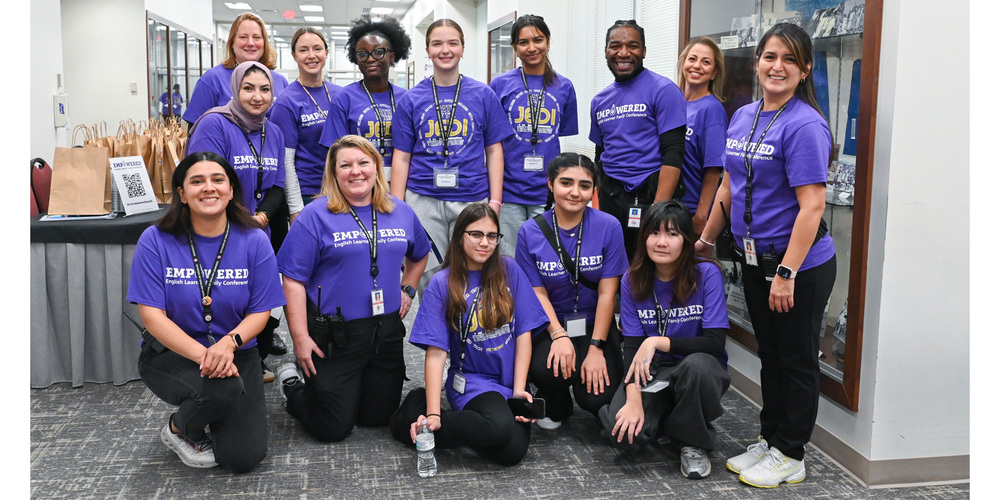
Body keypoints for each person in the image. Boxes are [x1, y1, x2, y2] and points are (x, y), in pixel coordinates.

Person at [694, 22, 836, 489]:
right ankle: (771, 439)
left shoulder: (805, 124)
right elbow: (730, 186)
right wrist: (706, 239)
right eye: (770, 57)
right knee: (770, 355)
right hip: (755, 260)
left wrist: (787, 272)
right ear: (756, 63)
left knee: (796, 359)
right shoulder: (744, 116)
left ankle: (791, 453)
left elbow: (812, 206)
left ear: (805, 69)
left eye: (789, 60)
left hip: (798, 265)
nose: (778, 67)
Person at [127, 151, 285, 472]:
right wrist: (205, 356)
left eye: (217, 180)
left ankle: (215, 405)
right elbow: (152, 317)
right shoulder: (155, 240)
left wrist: (228, 344)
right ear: (182, 194)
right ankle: (179, 428)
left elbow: (261, 312)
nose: (208, 188)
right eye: (196, 181)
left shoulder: (254, 240)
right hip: (172, 354)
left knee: (243, 457)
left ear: (230, 190)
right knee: (222, 390)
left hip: (237, 351)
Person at [274, 135, 430, 442]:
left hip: (385, 333)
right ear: (334, 173)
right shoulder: (314, 216)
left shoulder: (399, 211)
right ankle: (293, 386)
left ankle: (350, 391)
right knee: (332, 428)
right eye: (345, 165)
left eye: (363, 163)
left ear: (377, 167)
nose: (355, 171)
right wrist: (300, 338)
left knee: (377, 419)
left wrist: (408, 289)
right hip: (335, 336)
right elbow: (292, 280)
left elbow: (420, 253)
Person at [389, 202, 548, 466]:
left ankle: (432, 427)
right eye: (476, 234)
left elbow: (523, 334)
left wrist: (519, 389)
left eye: (491, 236)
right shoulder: (443, 282)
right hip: (473, 381)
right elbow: (437, 352)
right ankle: (411, 420)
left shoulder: (509, 270)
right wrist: (434, 412)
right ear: (460, 236)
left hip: (508, 381)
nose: (484, 242)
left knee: (511, 453)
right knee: (498, 428)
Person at [598, 201, 730, 480]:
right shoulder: (632, 280)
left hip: (695, 368)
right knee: (620, 433)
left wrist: (657, 341)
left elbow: (715, 343)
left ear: (686, 240)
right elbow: (632, 347)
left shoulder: (707, 274)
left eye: (672, 234)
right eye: (654, 233)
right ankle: (671, 416)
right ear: (643, 237)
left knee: (698, 369)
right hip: (652, 371)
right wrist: (633, 397)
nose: (661, 242)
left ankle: (693, 441)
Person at [187, 60, 288, 379]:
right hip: (217, 230)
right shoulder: (213, 124)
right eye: (248, 88)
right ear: (235, 89)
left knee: (260, 299)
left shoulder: (273, 131)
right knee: (223, 300)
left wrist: (261, 217)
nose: (257, 96)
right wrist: (242, 219)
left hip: (259, 230)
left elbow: (278, 184)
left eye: (265, 89)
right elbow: (204, 184)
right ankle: (211, 362)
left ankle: (251, 362)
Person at [514, 153, 627, 430]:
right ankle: (556, 399)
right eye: (566, 183)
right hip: (549, 324)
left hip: (594, 323)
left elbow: (607, 293)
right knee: (547, 370)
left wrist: (596, 349)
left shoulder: (609, 226)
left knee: (597, 398)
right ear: (551, 184)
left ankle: (582, 376)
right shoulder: (530, 231)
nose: (575, 192)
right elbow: (537, 293)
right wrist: (559, 335)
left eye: (585, 185)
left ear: (593, 190)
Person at [390, 19, 513, 269]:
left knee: (471, 269)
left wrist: (495, 202)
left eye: (452, 43)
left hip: (472, 196)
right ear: (427, 50)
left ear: (463, 49)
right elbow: (402, 157)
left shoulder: (483, 95)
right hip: (422, 198)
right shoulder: (411, 99)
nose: (445, 50)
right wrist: (398, 207)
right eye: (437, 44)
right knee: (425, 270)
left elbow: (494, 151)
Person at [590, 19, 687, 260]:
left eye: (632, 46)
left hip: (649, 194)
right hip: (611, 195)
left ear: (643, 51)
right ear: (606, 51)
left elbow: (674, 152)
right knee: (612, 262)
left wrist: (658, 209)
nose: (623, 52)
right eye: (615, 46)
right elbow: (599, 156)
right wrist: (597, 206)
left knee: (647, 265)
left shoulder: (663, 90)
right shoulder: (599, 100)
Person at [490, 14, 578, 257]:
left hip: (547, 191)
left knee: (545, 257)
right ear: (515, 48)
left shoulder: (564, 86)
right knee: (509, 260)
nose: (531, 48)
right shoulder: (499, 85)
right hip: (509, 192)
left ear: (548, 42)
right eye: (523, 42)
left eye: (538, 40)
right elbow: (491, 141)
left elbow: (562, 137)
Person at [320, 15, 411, 180]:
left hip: (400, 181)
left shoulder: (406, 98)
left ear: (392, 56)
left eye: (378, 52)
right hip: (357, 181)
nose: (370, 59)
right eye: (362, 54)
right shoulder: (344, 98)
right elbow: (336, 153)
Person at [270, 27, 342, 224]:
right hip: (308, 195)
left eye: (317, 49)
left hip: (342, 190)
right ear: (294, 55)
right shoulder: (287, 102)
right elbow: (286, 161)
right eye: (303, 50)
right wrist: (295, 208)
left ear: (326, 53)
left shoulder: (340, 94)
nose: (311, 55)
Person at [182, 12, 289, 129]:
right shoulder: (213, 79)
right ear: (232, 43)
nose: (250, 43)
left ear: (264, 43)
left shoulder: (280, 81)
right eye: (243, 37)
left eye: (257, 37)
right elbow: (191, 128)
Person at [677, 37, 728, 235]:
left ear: (714, 72)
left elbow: (714, 169)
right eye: (692, 59)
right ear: (683, 63)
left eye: (706, 62)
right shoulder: (673, 102)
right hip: (668, 207)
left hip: (691, 211)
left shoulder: (712, 109)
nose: (697, 66)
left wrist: (701, 214)